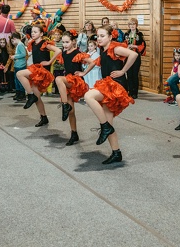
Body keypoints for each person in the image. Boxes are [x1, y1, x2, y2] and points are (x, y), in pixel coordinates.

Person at [84, 25, 137, 164]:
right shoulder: (103, 50)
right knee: (108, 121)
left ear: (110, 37)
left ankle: (105, 127)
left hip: (116, 85)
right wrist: (83, 72)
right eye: (98, 36)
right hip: (109, 86)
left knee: (88, 96)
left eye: (102, 36)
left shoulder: (115, 48)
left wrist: (123, 71)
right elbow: (96, 62)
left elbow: (134, 54)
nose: (99, 38)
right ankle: (116, 152)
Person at [17, 23, 61, 127]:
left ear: (41, 34)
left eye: (35, 32)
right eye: (32, 32)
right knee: (38, 98)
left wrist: (49, 62)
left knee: (20, 74)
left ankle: (30, 95)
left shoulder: (44, 43)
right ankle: (44, 117)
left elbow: (58, 50)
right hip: (36, 70)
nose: (33, 33)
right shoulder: (32, 43)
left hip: (42, 71)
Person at [55, 30, 93, 146]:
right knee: (71, 112)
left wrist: (84, 73)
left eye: (67, 42)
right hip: (67, 81)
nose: (65, 44)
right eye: (63, 42)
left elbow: (92, 62)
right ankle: (74, 133)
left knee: (58, 79)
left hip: (75, 81)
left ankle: (64, 104)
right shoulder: (64, 53)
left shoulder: (77, 53)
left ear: (73, 42)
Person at [124, 18, 146, 99]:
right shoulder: (126, 34)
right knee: (129, 74)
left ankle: (135, 92)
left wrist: (135, 46)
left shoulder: (139, 34)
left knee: (134, 74)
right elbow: (123, 44)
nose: (132, 26)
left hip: (136, 56)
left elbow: (143, 45)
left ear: (136, 25)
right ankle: (130, 91)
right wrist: (126, 47)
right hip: (128, 56)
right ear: (129, 26)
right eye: (130, 24)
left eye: (133, 24)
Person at [10, 33, 27, 102]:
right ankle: (18, 93)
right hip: (17, 65)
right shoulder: (18, 45)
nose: (13, 43)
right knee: (16, 80)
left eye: (12, 41)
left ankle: (22, 94)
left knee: (20, 80)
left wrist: (15, 56)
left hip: (20, 65)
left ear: (14, 38)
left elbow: (23, 54)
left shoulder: (20, 45)